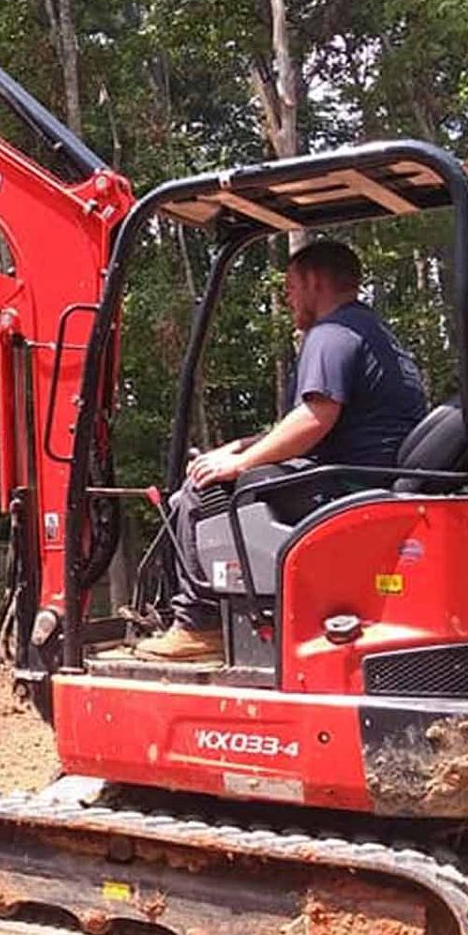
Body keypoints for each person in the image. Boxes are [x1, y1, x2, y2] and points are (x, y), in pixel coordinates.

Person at [135, 239, 428, 663]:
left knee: (199, 492)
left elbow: (314, 419)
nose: (287, 298)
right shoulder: (372, 332)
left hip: (343, 486)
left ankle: (202, 624)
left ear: (313, 281)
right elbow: (311, 420)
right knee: (221, 472)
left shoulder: (330, 334)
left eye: (290, 287)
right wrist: (238, 446)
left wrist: (237, 464)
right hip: (368, 477)